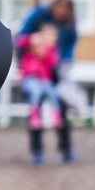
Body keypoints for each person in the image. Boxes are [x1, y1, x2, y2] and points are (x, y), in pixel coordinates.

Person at [17, 21, 70, 165]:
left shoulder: (52, 51)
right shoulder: (32, 45)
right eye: (46, 36)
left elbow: (53, 65)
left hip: (45, 81)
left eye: (53, 37)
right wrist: (32, 40)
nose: (49, 39)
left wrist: (46, 53)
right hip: (31, 80)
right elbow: (19, 42)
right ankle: (37, 151)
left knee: (54, 95)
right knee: (36, 92)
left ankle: (56, 117)